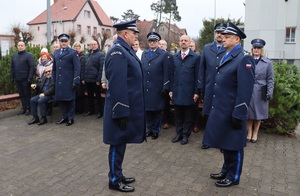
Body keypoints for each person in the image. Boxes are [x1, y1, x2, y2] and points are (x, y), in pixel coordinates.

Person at [202, 22, 255, 187]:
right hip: (222, 108)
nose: (222, 39)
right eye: (222, 36)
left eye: (227, 37)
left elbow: (245, 90)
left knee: (235, 145)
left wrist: (239, 114)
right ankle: (226, 170)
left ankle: (234, 176)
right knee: (226, 143)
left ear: (237, 39)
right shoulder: (226, 54)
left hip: (233, 110)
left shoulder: (244, 57)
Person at [103, 19, 145, 192]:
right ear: (125, 34)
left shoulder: (125, 50)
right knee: (117, 143)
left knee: (121, 143)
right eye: (134, 33)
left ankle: (118, 173)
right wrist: (120, 112)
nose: (136, 36)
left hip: (126, 108)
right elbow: (118, 85)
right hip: (120, 109)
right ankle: (114, 180)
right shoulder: (118, 52)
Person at [198, 22, 227, 149]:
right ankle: (207, 140)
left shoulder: (228, 48)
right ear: (215, 34)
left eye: (222, 33)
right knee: (209, 114)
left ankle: (221, 141)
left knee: (221, 114)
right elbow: (201, 69)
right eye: (217, 32)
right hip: (209, 87)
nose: (219, 35)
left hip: (223, 88)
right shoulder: (207, 48)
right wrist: (201, 87)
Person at [170, 35, 200, 145]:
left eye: (185, 40)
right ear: (179, 42)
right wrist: (170, 90)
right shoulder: (175, 57)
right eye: (181, 40)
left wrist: (197, 92)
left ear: (189, 43)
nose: (183, 42)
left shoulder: (196, 57)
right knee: (177, 115)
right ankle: (179, 133)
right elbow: (172, 75)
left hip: (189, 92)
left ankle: (186, 135)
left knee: (188, 115)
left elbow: (198, 76)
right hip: (177, 90)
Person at [141, 32, 170, 140]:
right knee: (147, 110)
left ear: (158, 42)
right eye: (150, 41)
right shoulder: (144, 54)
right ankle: (149, 129)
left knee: (157, 111)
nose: (152, 43)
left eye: (154, 41)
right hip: (146, 87)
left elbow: (166, 72)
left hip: (157, 87)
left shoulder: (163, 54)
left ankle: (156, 130)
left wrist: (165, 86)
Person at [247, 38, 274, 143]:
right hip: (249, 90)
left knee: (258, 114)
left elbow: (270, 79)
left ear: (262, 49)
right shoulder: (247, 60)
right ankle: (249, 132)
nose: (256, 50)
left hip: (261, 91)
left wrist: (269, 92)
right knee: (249, 113)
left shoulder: (267, 63)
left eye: (259, 48)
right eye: (255, 48)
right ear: (252, 49)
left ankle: (255, 133)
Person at [52, 33, 81, 126]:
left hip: (69, 80)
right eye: (62, 41)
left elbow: (77, 68)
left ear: (68, 42)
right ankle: (64, 117)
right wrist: (54, 79)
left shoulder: (73, 52)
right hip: (59, 80)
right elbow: (55, 68)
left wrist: (76, 80)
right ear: (59, 42)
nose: (63, 43)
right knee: (62, 100)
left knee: (70, 100)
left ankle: (70, 118)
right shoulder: (56, 53)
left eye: (65, 41)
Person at [10, 41, 35, 115]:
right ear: (17, 46)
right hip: (17, 79)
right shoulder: (14, 56)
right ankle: (24, 107)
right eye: (19, 45)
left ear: (25, 46)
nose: (20, 47)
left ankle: (29, 108)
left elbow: (31, 67)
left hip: (26, 79)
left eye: (22, 45)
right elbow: (12, 67)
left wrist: (29, 78)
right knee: (21, 94)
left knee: (27, 94)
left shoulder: (28, 55)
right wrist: (11, 76)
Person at [82, 40, 105, 118]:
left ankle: (100, 112)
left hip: (95, 80)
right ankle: (91, 110)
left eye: (94, 44)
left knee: (98, 97)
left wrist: (99, 80)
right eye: (91, 44)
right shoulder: (87, 55)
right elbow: (84, 67)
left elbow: (102, 68)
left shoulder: (101, 55)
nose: (93, 46)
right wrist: (83, 78)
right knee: (90, 96)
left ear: (97, 45)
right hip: (88, 79)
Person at [159, 39, 173, 129]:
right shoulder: (156, 55)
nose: (161, 46)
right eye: (160, 44)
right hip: (157, 83)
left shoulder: (170, 56)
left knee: (166, 104)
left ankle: (166, 121)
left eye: (163, 44)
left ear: (166, 46)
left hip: (166, 83)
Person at [189, 40, 201, 133]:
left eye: (192, 46)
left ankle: (196, 124)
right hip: (185, 87)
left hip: (194, 86)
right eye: (189, 46)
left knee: (194, 107)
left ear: (195, 48)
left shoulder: (198, 58)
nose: (190, 48)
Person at [72, 42, 86, 114]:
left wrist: (82, 78)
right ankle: (75, 109)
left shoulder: (82, 57)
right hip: (73, 78)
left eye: (78, 47)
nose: (76, 48)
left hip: (80, 78)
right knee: (75, 94)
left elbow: (83, 68)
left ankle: (80, 109)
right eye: (75, 46)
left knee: (80, 94)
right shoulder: (72, 56)